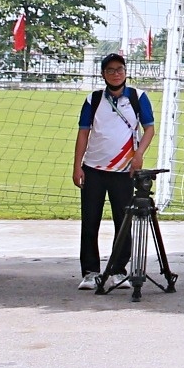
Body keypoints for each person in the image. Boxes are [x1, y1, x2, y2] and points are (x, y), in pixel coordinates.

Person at [73, 53, 152, 291]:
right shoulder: (94, 99)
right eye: (110, 70)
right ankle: (90, 272)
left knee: (123, 221)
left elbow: (149, 128)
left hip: (124, 170)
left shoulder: (138, 97)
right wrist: (77, 165)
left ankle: (118, 270)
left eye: (120, 69)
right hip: (94, 168)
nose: (116, 73)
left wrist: (139, 155)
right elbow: (83, 133)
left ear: (126, 72)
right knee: (90, 221)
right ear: (103, 74)